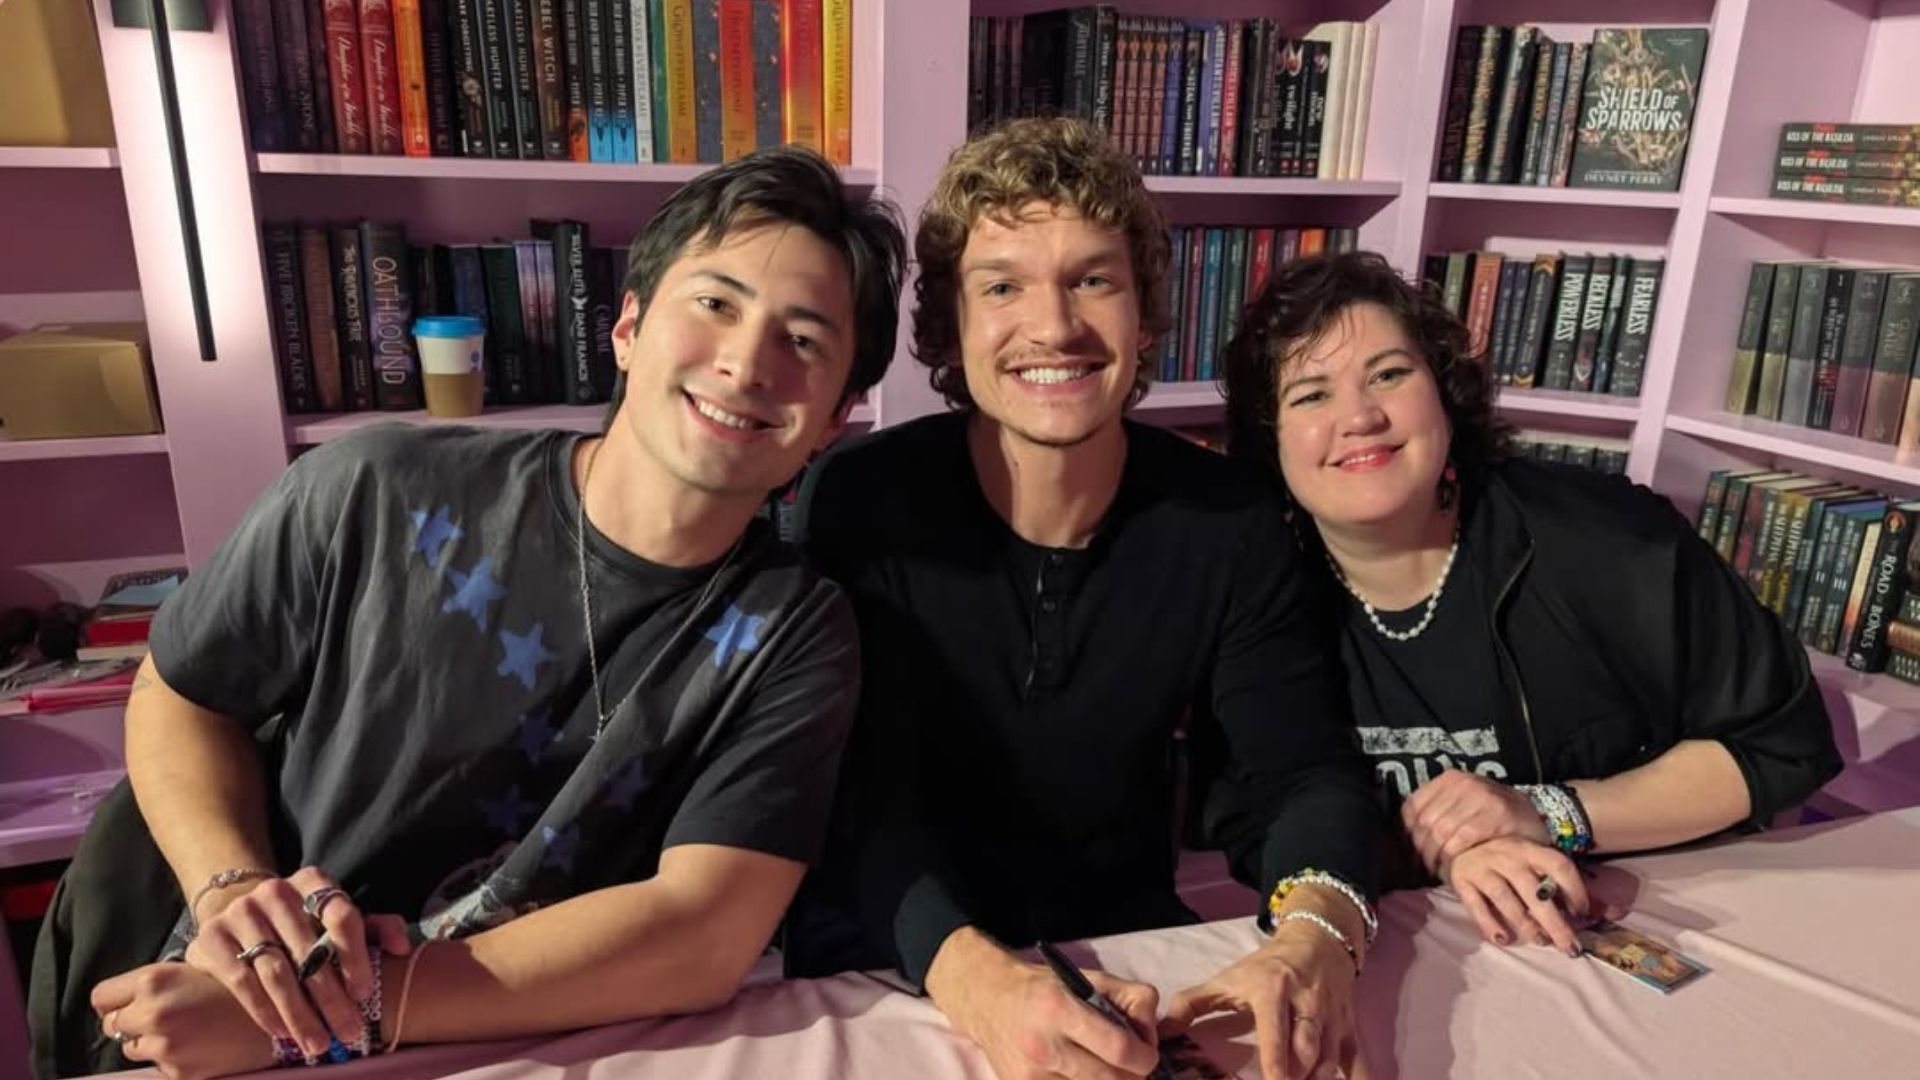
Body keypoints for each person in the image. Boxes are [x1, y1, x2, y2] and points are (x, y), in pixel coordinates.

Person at [29, 145, 906, 1079]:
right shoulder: (374, 488)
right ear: (627, 327)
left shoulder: (794, 632)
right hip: (213, 998)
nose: (745, 363)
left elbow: (700, 934)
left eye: (802, 342)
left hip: (479, 1036)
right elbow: (182, 693)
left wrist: (340, 1012)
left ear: (837, 414)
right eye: (716, 304)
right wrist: (233, 895)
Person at [789, 116, 1382, 1080]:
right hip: (885, 965)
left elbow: (1299, 772)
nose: (1055, 327)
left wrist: (1317, 932)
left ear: (1145, 316)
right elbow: (847, 801)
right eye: (1002, 287)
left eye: (1093, 281)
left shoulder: (1227, 518)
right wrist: (976, 979)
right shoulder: (863, 500)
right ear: (949, 328)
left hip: (1125, 961)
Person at [1217, 251, 1842, 956]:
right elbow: (1249, 819)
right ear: (1270, 438)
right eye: (1310, 395)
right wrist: (1450, 852)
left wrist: (1550, 811)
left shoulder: (1609, 541)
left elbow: (1783, 745)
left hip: (1649, 915)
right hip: (1405, 943)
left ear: (1444, 392)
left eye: (1389, 374)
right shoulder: (1252, 592)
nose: (1360, 416)